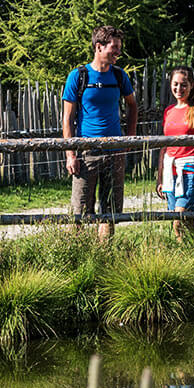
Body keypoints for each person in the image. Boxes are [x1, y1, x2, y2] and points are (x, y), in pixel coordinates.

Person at [63, 25, 138, 241]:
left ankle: (104, 254)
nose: (118, 53)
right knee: (80, 209)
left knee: (111, 210)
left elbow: (132, 105)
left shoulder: (119, 76)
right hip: (87, 152)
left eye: (119, 48)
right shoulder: (78, 77)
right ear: (99, 47)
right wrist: (70, 154)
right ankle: (77, 253)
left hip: (115, 151)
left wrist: (129, 137)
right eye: (114, 48)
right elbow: (67, 118)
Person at [160, 66, 194, 240]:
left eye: (183, 85)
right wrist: (160, 177)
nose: (179, 89)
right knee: (186, 220)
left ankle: (183, 253)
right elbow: (164, 146)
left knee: (179, 217)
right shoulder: (168, 112)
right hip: (171, 172)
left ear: (191, 85)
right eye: (175, 84)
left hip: (191, 170)